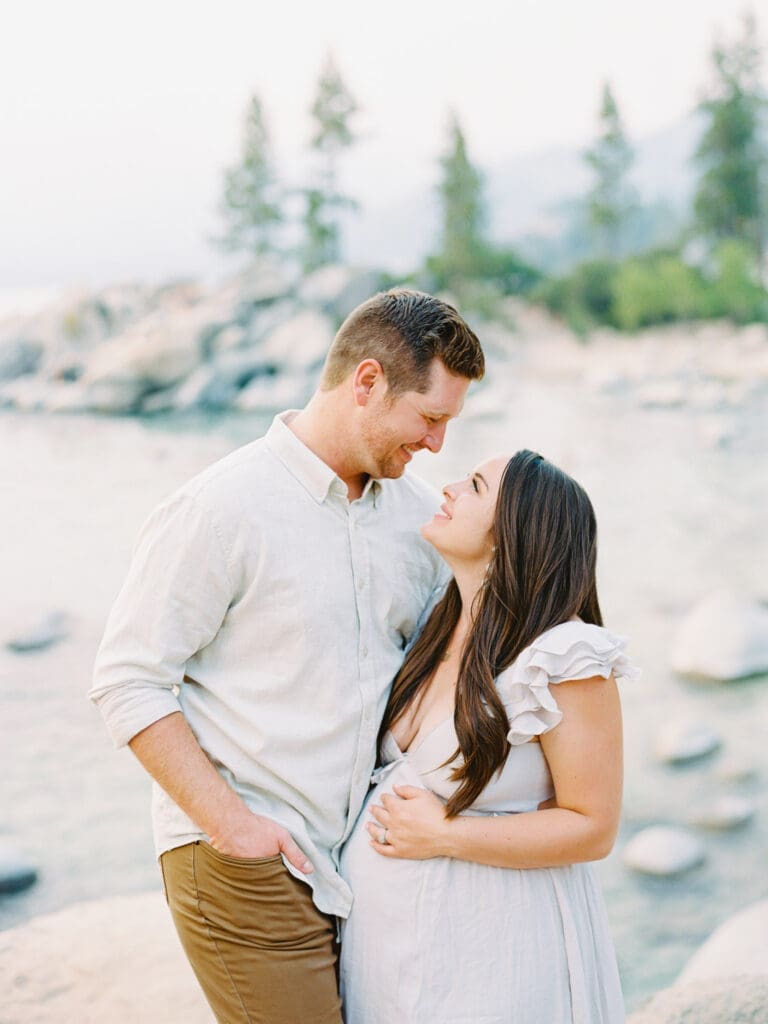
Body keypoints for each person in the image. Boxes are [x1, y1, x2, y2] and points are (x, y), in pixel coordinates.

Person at [88, 288, 484, 1024]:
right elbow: (128, 681)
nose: (436, 445)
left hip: (363, 867)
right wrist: (234, 829)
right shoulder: (220, 508)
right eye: (430, 419)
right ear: (366, 382)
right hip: (247, 856)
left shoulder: (419, 519)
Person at [339, 449, 638, 1024]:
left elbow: (593, 827)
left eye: (473, 486)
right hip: (392, 958)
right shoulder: (437, 620)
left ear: (512, 537)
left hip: (492, 962)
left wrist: (446, 835)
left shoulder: (565, 658)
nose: (447, 488)